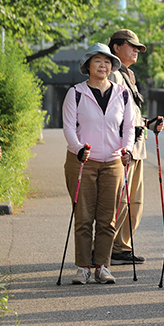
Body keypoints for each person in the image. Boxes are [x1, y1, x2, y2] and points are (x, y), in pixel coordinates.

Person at [62, 43, 134, 285]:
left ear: (112, 66)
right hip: (82, 161)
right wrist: (78, 148)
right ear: (88, 66)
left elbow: (128, 128)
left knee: (107, 219)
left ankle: (102, 266)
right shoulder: (76, 93)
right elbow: (69, 128)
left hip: (113, 161)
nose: (103, 66)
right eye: (97, 61)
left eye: (107, 62)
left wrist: (128, 150)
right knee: (83, 217)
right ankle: (82, 267)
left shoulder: (122, 93)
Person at [107, 29, 164, 265]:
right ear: (116, 47)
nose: (136, 51)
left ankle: (121, 246)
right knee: (120, 200)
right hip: (123, 149)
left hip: (137, 146)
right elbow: (112, 114)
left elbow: (131, 113)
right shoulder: (112, 74)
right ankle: (104, 247)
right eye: (131, 46)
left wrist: (148, 123)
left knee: (135, 201)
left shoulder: (127, 74)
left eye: (138, 47)